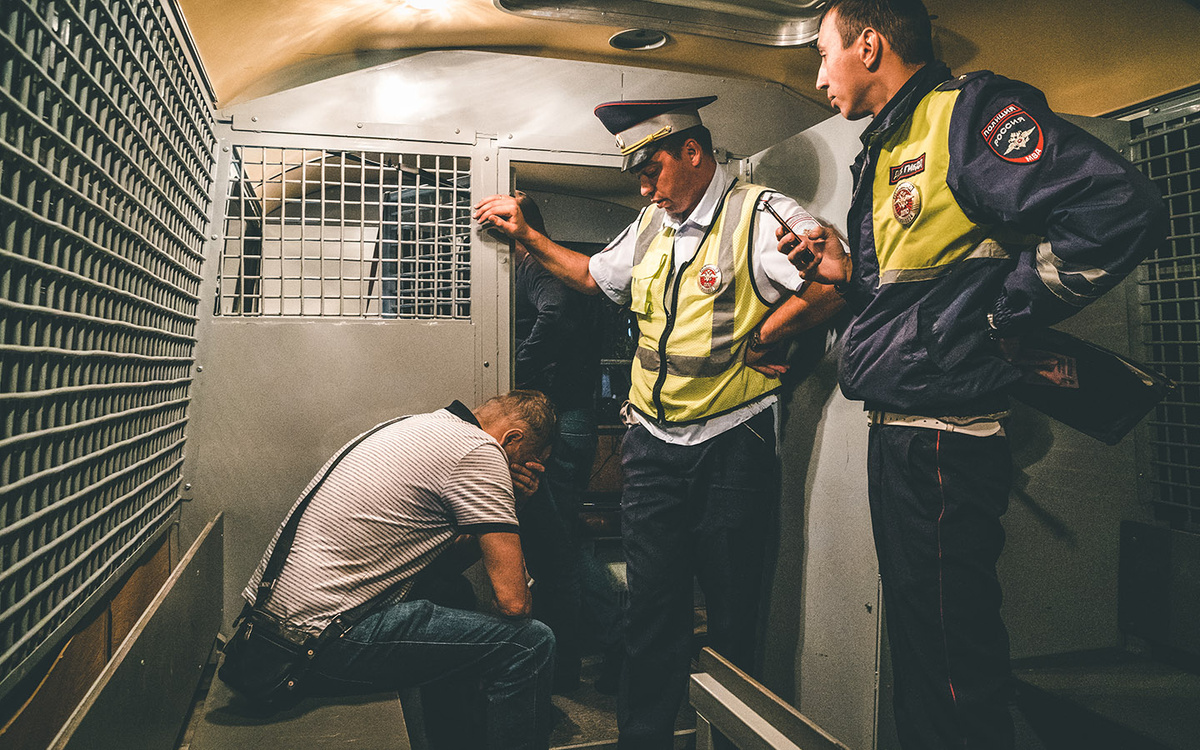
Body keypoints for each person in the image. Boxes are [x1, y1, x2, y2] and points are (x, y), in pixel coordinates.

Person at [779, 2, 1169, 748]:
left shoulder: (970, 113)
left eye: (823, 53)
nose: (819, 73)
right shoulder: (889, 142)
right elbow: (918, 286)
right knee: (925, 652)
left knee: (953, 664)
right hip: (903, 429)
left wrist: (997, 316)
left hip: (943, 439)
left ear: (869, 45)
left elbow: (1121, 207)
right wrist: (847, 272)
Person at [475, 97, 845, 749]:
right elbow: (594, 275)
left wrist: (773, 331)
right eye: (637, 177)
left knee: (732, 616)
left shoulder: (758, 215)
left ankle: (732, 740)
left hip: (733, 444)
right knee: (651, 611)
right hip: (653, 447)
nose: (645, 188)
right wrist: (530, 236)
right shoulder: (651, 223)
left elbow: (834, 281)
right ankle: (641, 739)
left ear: (692, 152)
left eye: (652, 170)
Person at [236, 391, 558, 750]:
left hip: (269, 634)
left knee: (450, 591)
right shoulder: (483, 452)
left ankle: (454, 739)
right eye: (530, 462)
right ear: (511, 439)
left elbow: (440, 566)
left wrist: (517, 500)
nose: (526, 472)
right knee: (530, 644)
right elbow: (514, 602)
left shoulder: (419, 425)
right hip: (314, 645)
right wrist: (511, 504)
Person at [509, 191, 623, 694]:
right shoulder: (552, 265)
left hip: (559, 422)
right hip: (573, 418)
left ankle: (607, 641)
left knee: (554, 548)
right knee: (562, 542)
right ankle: (610, 640)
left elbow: (553, 313)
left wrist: (519, 367)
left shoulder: (534, 264)